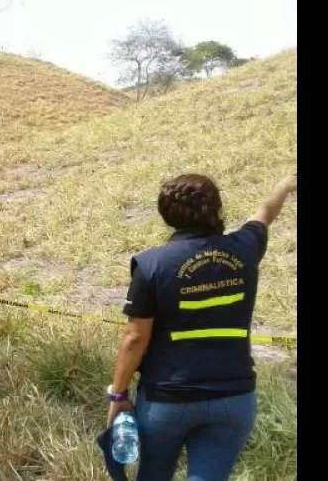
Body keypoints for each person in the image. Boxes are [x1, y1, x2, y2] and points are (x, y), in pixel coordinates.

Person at [105, 173, 297, 480]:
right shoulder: (245, 248)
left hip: (167, 401)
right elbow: (264, 213)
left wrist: (118, 395)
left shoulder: (151, 265)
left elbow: (135, 338)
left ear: (166, 215)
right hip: (234, 400)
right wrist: (283, 188)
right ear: (217, 210)